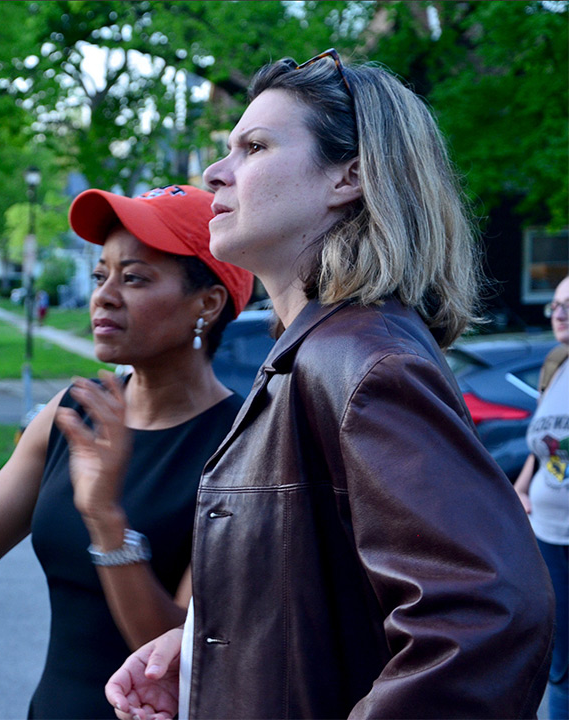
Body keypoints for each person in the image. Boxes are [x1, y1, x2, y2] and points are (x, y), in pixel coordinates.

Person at [105, 50, 554, 719]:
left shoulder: (364, 363)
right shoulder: (314, 351)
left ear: (348, 177)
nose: (214, 173)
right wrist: (204, 655)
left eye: (254, 146)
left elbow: (487, 615)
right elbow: (331, 606)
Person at [0, 185, 255, 718]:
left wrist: (106, 519)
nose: (104, 295)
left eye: (134, 277)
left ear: (206, 303)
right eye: (100, 276)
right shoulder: (70, 411)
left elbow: (174, 664)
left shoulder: (242, 449)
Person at [514, 275, 569, 720]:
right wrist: (522, 485)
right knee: (560, 658)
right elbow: (543, 440)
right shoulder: (555, 364)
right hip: (548, 534)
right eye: (554, 305)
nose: (559, 313)